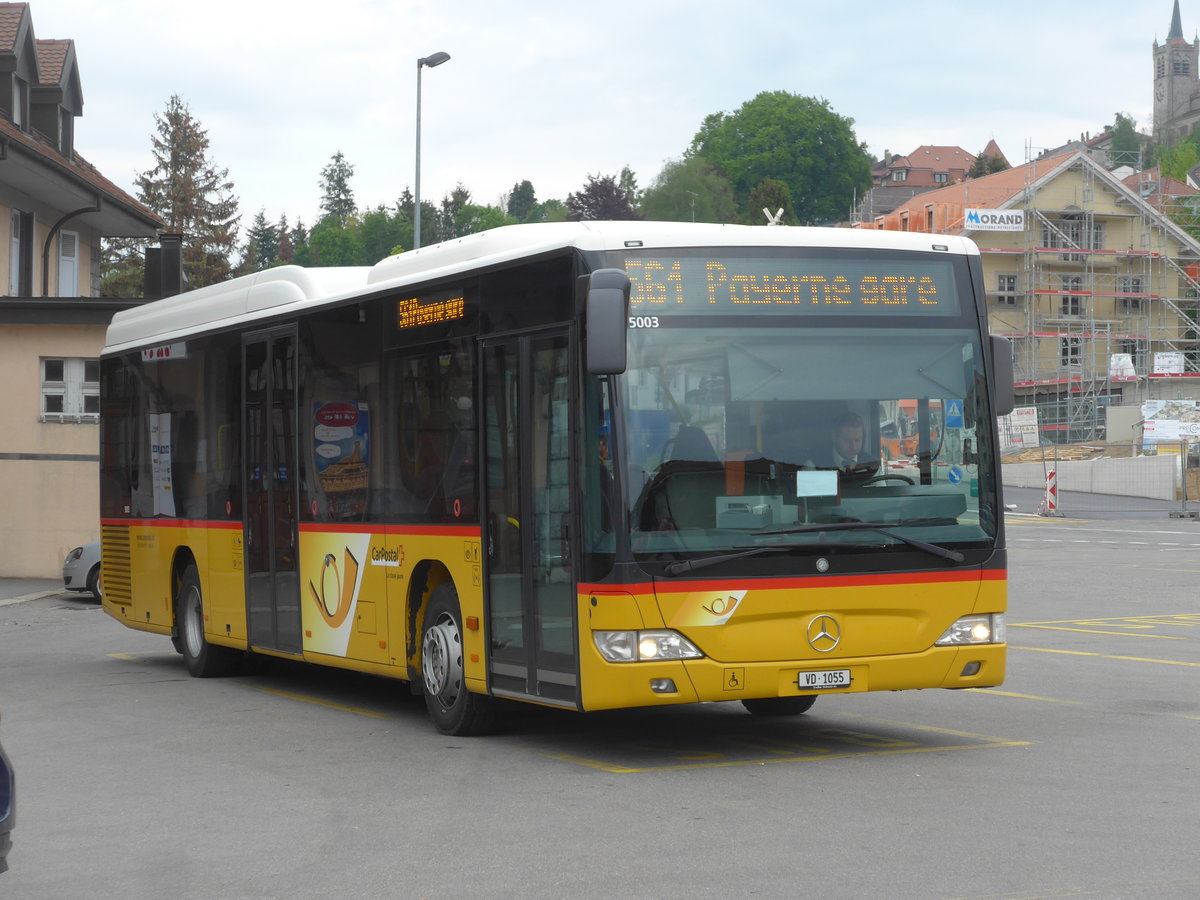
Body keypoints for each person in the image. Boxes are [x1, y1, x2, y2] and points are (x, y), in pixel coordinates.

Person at [808, 410, 879, 479]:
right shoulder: (813, 466)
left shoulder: (872, 465)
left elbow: (880, 490)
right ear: (834, 436)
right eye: (847, 441)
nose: (853, 447)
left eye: (857, 440)